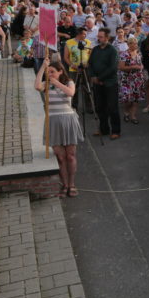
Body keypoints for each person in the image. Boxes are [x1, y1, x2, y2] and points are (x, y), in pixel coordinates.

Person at [34, 58, 85, 197]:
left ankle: (72, 184)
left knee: (70, 155)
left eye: (52, 72)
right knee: (60, 157)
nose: (49, 74)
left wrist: (56, 83)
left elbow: (71, 93)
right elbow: (37, 86)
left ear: (60, 71)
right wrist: (42, 68)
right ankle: (65, 184)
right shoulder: (46, 84)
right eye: (48, 72)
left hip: (68, 120)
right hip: (53, 121)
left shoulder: (69, 82)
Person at [89, 28, 121, 139]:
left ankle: (115, 130)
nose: (99, 38)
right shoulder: (95, 49)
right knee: (100, 107)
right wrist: (93, 76)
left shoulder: (112, 50)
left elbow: (113, 67)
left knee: (112, 107)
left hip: (110, 83)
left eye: (101, 37)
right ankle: (104, 129)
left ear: (107, 38)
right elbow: (90, 63)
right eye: (98, 36)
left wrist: (100, 78)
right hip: (97, 83)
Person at [118, 37, 145, 124]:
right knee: (127, 99)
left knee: (136, 98)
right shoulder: (124, 54)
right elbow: (121, 67)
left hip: (137, 79)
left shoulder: (138, 53)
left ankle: (133, 115)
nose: (135, 45)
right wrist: (133, 67)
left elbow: (140, 64)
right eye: (133, 43)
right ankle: (126, 112)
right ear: (129, 44)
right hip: (127, 79)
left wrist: (141, 67)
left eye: (136, 43)